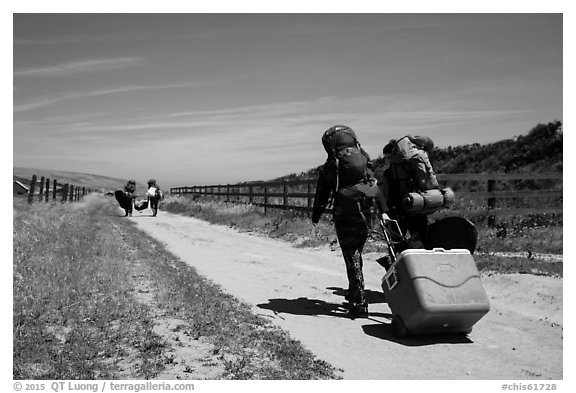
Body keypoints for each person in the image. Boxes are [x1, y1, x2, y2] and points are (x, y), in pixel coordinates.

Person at [312, 125, 388, 319]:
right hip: (367, 212)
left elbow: (322, 193)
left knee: (351, 256)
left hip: (345, 213)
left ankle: (359, 302)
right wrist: (384, 211)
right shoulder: (364, 159)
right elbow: (373, 184)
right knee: (357, 253)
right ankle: (354, 292)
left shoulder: (332, 166)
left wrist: (315, 216)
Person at [376, 136, 438, 250]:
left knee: (397, 243)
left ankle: (401, 263)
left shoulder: (388, 173)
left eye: (386, 158)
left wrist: (385, 210)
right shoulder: (410, 167)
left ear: (391, 157)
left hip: (399, 212)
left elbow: (386, 195)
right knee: (423, 238)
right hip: (418, 206)